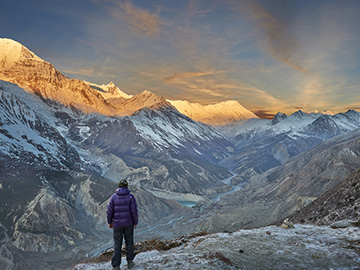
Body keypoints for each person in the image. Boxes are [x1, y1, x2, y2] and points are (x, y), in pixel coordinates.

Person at [107, 179, 138, 270]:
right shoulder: (131, 197)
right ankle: (130, 262)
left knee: (117, 244)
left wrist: (110, 222)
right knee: (129, 242)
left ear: (119, 186)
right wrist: (135, 222)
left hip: (117, 224)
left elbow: (109, 211)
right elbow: (134, 211)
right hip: (129, 224)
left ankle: (116, 266)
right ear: (127, 186)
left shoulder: (113, 197)